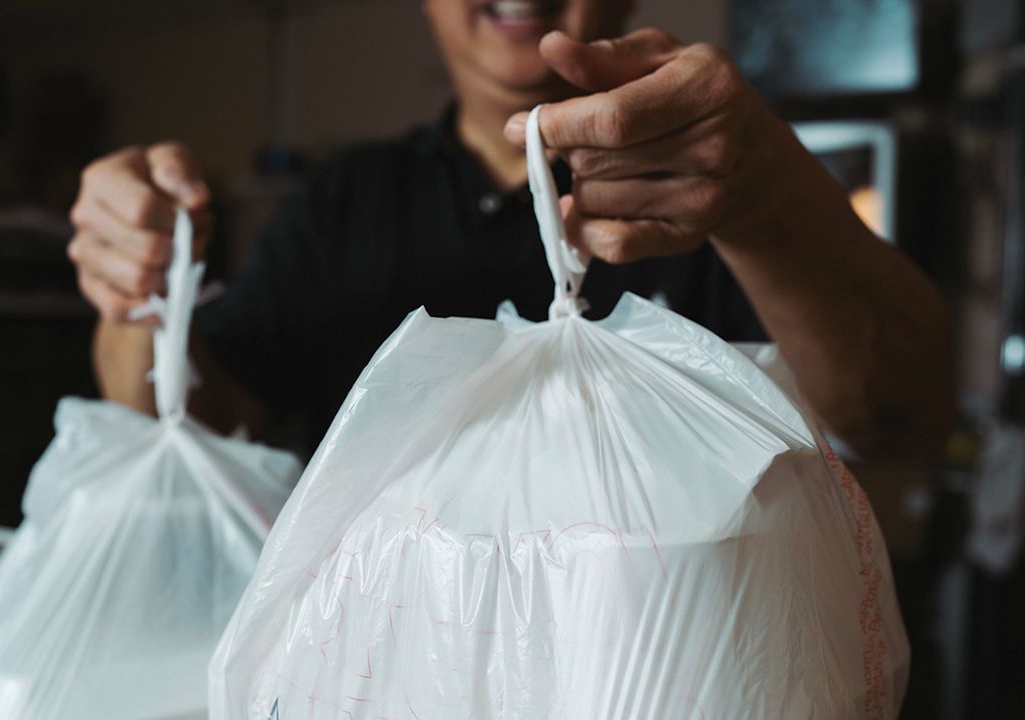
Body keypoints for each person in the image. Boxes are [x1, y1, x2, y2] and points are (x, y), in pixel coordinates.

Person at [67, 0, 953, 462]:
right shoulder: (349, 199)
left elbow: (900, 424)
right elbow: (188, 416)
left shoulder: (731, 181)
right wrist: (139, 276)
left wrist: (770, 205)